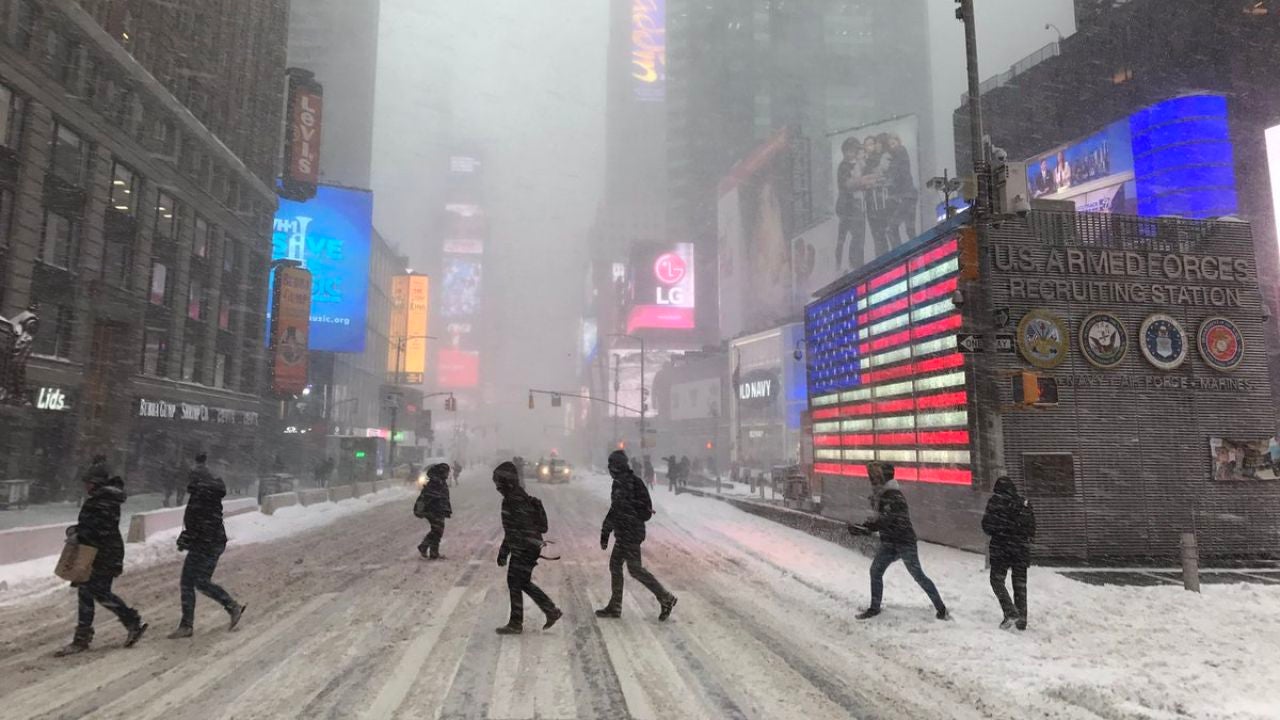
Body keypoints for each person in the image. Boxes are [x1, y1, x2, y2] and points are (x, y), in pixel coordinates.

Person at [55, 464, 147, 656]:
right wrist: (80, 531)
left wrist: (77, 533)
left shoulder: (99, 502)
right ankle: (129, 622)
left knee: (93, 592)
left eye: (87, 482)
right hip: (106, 552)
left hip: (100, 554)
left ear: (94, 483)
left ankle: (85, 638)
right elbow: (98, 527)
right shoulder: (107, 500)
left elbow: (95, 530)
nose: (85, 486)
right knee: (92, 592)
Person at [854, 462, 948, 621]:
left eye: (875, 477)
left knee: (917, 575)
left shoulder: (892, 496)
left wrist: (867, 528)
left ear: (883, 477)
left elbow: (886, 520)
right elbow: (880, 519)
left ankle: (941, 608)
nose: (872, 480)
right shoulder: (883, 495)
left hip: (904, 542)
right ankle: (874, 607)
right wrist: (864, 527)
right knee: (877, 571)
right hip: (892, 542)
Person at [168, 454, 245, 639]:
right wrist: (189, 536)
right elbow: (203, 522)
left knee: (189, 582)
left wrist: (189, 537)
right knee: (201, 581)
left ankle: (187, 625)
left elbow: (201, 523)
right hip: (213, 542)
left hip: (205, 544)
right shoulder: (208, 493)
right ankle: (232, 606)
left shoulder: (201, 495)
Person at [596, 450, 677, 621]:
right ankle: (617, 605)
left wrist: (611, 528)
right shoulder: (627, 482)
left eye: (611, 465)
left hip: (629, 533)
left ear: (617, 466)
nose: (610, 469)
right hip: (628, 532)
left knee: (633, 569)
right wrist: (607, 530)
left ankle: (665, 598)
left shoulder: (626, 483)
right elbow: (618, 509)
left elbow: (624, 510)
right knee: (622, 567)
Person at [493, 462, 562, 634]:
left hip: (525, 547)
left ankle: (518, 622)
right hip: (530, 545)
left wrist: (504, 551)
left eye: (498, 482)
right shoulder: (519, 495)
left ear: (505, 481)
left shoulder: (512, 500)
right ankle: (550, 610)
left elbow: (514, 530)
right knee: (521, 582)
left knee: (515, 582)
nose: (496, 487)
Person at [982, 476, 1035, 630]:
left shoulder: (995, 502)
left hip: (1001, 549)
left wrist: (1001, 530)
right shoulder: (1024, 503)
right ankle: (1022, 620)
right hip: (1021, 549)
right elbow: (1031, 529)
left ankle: (1010, 611)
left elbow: (987, 527)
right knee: (1020, 584)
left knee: (996, 581)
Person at [834, 136, 868, 270]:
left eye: (854, 150)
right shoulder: (844, 166)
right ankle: (852, 266)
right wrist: (863, 181)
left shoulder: (860, 164)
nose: (851, 153)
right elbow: (847, 185)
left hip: (857, 206)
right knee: (849, 239)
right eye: (849, 150)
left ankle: (856, 265)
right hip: (848, 207)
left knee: (858, 238)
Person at [415, 463, 453, 560]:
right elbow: (432, 496)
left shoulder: (439, 481)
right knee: (437, 530)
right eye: (447, 472)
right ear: (442, 472)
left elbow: (443, 497)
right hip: (433, 510)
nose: (448, 475)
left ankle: (432, 552)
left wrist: (446, 509)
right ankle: (425, 547)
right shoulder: (435, 483)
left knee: (437, 531)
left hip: (438, 510)